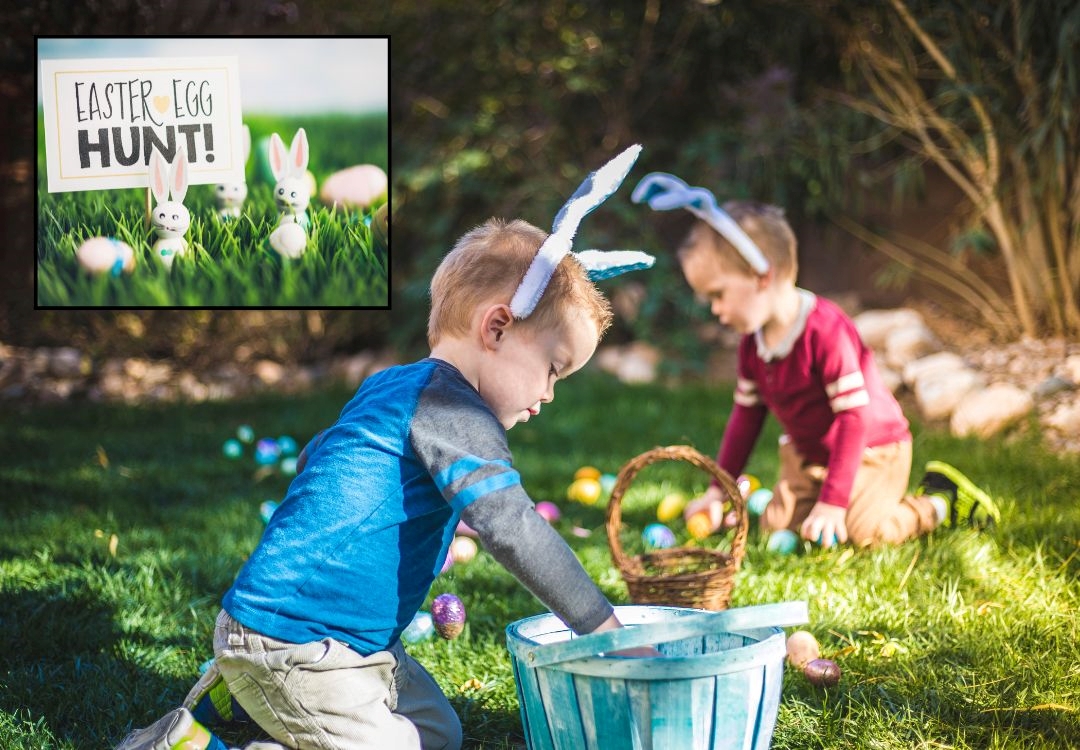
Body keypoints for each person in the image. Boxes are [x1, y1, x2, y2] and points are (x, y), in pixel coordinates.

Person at [115, 147, 656, 750]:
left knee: (438, 734)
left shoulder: (396, 385)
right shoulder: (455, 411)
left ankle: (236, 704)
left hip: (353, 643)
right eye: (552, 369)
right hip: (297, 641)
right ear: (497, 327)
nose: (550, 394)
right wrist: (603, 629)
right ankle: (194, 742)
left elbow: (319, 456)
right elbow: (514, 527)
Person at [632, 172, 1001, 549]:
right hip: (808, 456)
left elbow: (854, 418)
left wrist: (833, 503)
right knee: (777, 530)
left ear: (761, 277)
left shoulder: (825, 331)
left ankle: (940, 501)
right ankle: (803, 500)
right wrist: (718, 489)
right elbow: (746, 419)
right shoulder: (752, 344)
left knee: (866, 534)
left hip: (872, 449)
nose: (715, 309)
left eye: (718, 294)